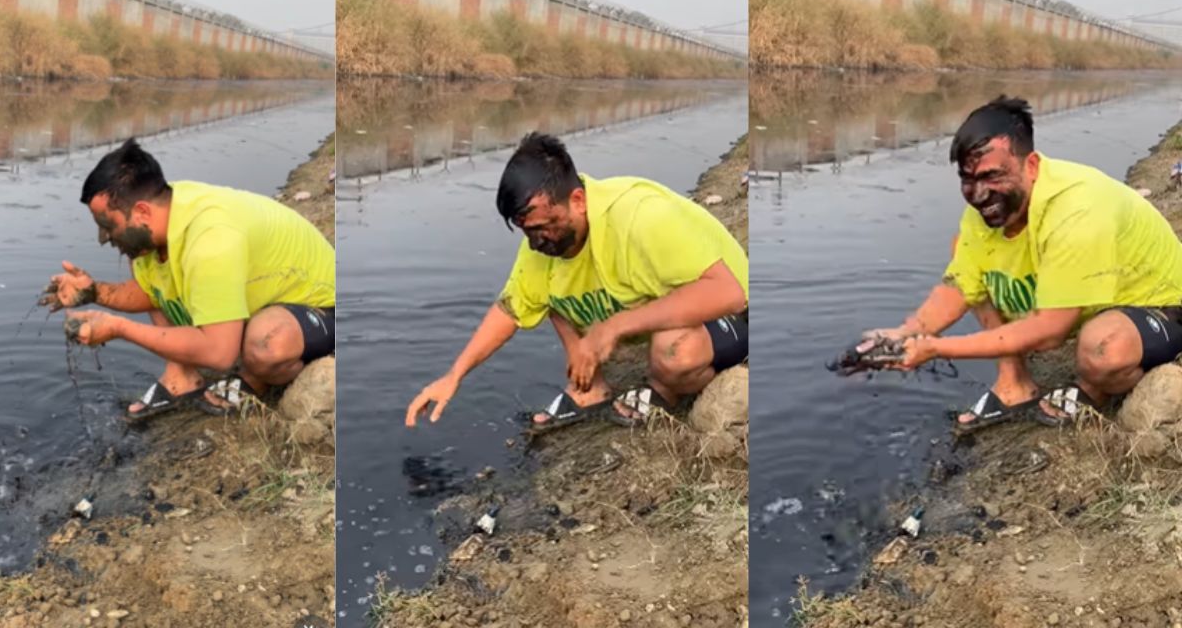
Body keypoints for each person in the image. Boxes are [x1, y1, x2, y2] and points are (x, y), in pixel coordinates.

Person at [870, 96, 1182, 430]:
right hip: (1098, 292)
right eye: (968, 179)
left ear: (1031, 165)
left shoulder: (1078, 209)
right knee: (963, 247)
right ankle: (1013, 383)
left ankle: (1095, 389)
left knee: (1102, 348)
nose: (978, 194)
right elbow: (961, 286)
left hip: (1162, 304)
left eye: (992, 176)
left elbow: (1050, 332)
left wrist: (935, 347)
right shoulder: (991, 209)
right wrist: (907, 333)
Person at [405, 131, 748, 430]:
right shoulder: (542, 245)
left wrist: (613, 327)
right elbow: (510, 310)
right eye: (527, 233)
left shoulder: (641, 216)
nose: (536, 243)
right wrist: (455, 375)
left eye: (543, 228)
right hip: (665, 305)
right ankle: (590, 388)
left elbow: (727, 292)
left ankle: (665, 390)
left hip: (731, 311)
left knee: (674, 351)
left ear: (578, 201)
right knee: (548, 291)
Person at [41, 138, 336, 421]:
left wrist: (118, 328)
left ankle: (255, 379)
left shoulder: (211, 239)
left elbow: (220, 355)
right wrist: (95, 292)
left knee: (265, 344)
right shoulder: (163, 211)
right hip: (261, 294)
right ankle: (180, 375)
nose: (103, 237)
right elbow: (154, 292)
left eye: (107, 224)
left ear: (142, 211)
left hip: (321, 305)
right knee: (141, 251)